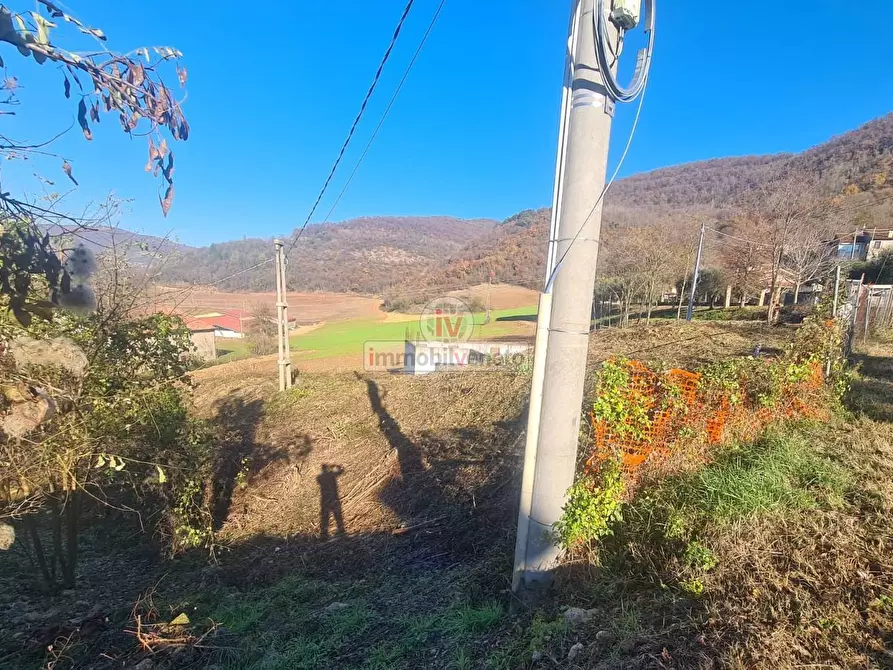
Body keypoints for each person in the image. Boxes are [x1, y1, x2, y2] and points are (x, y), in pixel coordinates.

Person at [317, 464, 345, 540]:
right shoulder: (332, 475)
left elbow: (318, 480)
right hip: (333, 498)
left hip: (325, 499)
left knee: (325, 517)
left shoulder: (320, 477)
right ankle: (341, 531)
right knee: (337, 515)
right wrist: (337, 466)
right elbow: (341, 471)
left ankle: (324, 534)